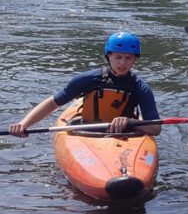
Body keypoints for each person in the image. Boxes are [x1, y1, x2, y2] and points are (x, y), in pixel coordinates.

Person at [9, 32, 160, 138]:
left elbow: (155, 128)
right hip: (86, 131)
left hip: (124, 135)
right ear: (109, 56)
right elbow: (54, 102)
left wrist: (130, 122)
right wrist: (24, 123)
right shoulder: (89, 79)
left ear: (135, 59)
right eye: (118, 57)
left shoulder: (140, 88)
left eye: (128, 58)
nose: (122, 63)